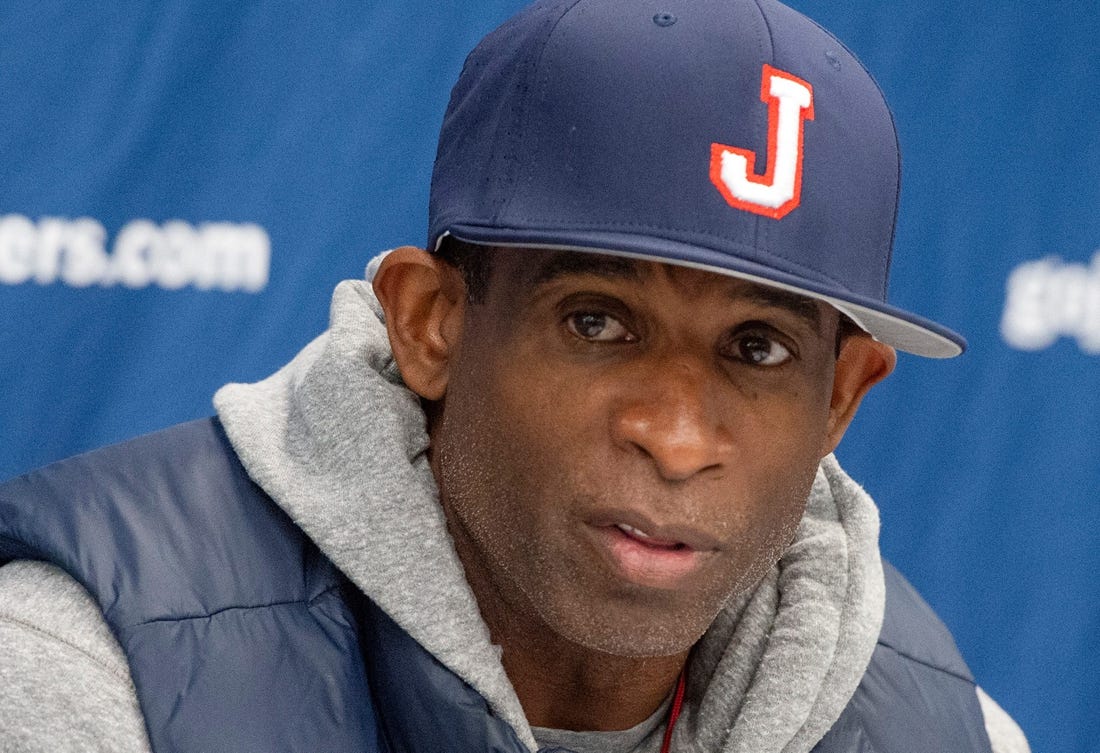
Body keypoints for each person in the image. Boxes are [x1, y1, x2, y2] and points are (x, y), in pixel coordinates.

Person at [0, 0, 1029, 751]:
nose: (675, 437)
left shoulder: (948, 734)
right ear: (430, 323)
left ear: (840, 398)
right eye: (596, 321)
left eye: (756, 348)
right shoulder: (92, 674)